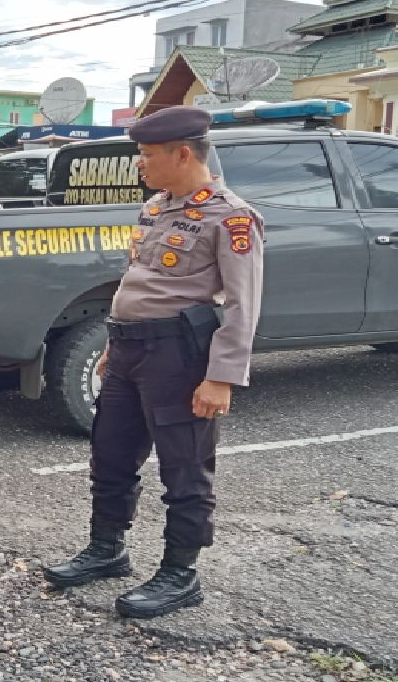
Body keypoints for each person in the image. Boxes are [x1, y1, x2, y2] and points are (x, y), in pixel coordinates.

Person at [42, 105, 264, 619]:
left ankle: (180, 574)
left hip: (180, 356)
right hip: (128, 350)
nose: (139, 165)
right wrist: (113, 350)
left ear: (182, 153)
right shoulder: (158, 207)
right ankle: (107, 550)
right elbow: (139, 281)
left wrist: (220, 378)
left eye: (145, 155)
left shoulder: (230, 217)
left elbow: (242, 304)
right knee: (111, 457)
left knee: (185, 469)